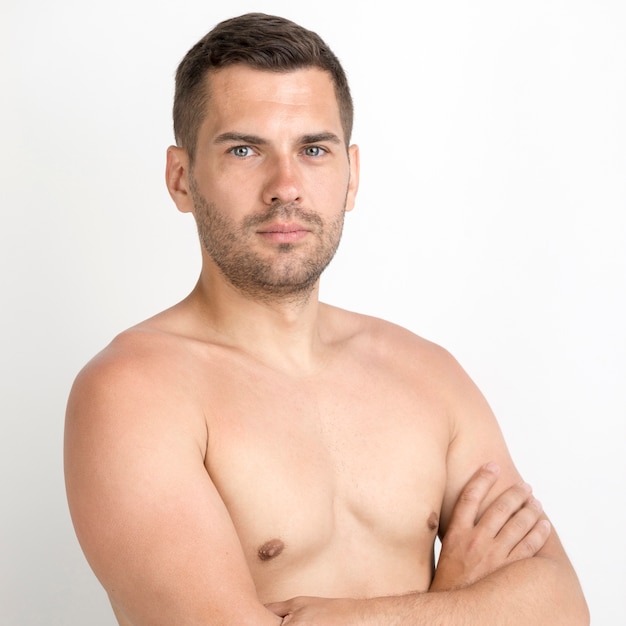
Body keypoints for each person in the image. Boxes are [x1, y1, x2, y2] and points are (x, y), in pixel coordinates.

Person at [64, 12, 589, 625]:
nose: (285, 185)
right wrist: (457, 606)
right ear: (181, 180)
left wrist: (329, 617)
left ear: (352, 174)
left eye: (313, 149)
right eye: (244, 149)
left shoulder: (429, 377)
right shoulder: (134, 391)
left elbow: (562, 609)